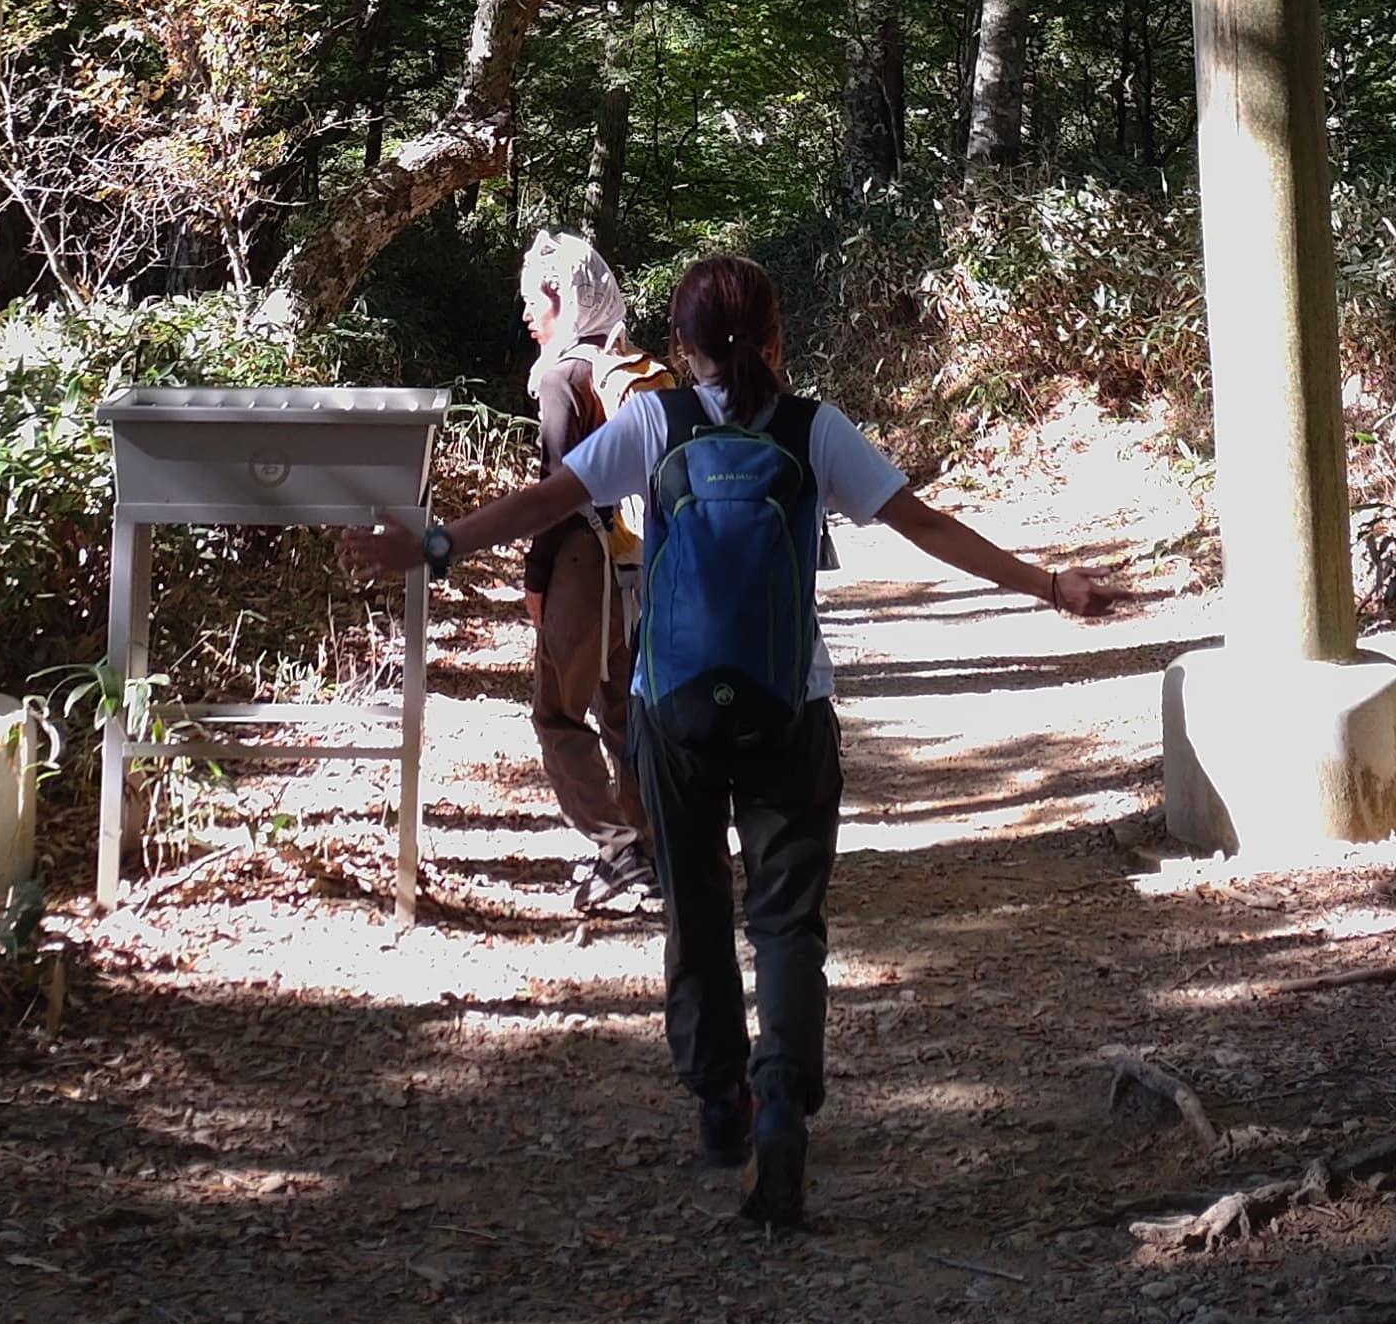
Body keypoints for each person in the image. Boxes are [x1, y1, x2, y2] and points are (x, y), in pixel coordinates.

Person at [345, 251, 1115, 1232]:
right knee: (787, 921)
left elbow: (544, 504)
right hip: (790, 709)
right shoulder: (813, 430)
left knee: (698, 909)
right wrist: (1051, 585)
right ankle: (783, 1102)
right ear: (778, 338)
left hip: (673, 712)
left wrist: (432, 544)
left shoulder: (653, 422)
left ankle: (720, 1104)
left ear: (680, 346)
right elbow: (924, 526)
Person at [514, 230, 668, 915]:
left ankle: (614, 848)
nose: (525, 314)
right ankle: (655, 848)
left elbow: (557, 487)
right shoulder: (627, 367)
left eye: (532, 300)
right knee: (623, 712)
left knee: (556, 711)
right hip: (636, 560)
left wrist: (536, 576)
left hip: (581, 559)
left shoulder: (558, 376)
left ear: (562, 296)